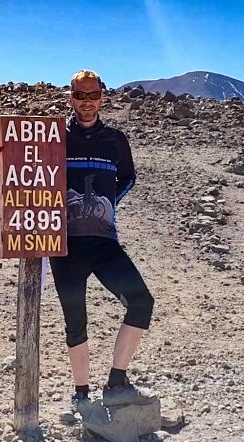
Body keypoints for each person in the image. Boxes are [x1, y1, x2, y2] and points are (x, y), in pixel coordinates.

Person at [50, 69, 157, 417]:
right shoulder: (54, 138)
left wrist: (107, 205)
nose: (86, 103)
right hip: (63, 244)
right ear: (71, 98)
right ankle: (81, 392)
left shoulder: (115, 139)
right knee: (75, 319)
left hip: (104, 242)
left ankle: (116, 381)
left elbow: (127, 177)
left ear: (102, 98)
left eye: (93, 95)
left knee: (141, 302)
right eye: (80, 96)